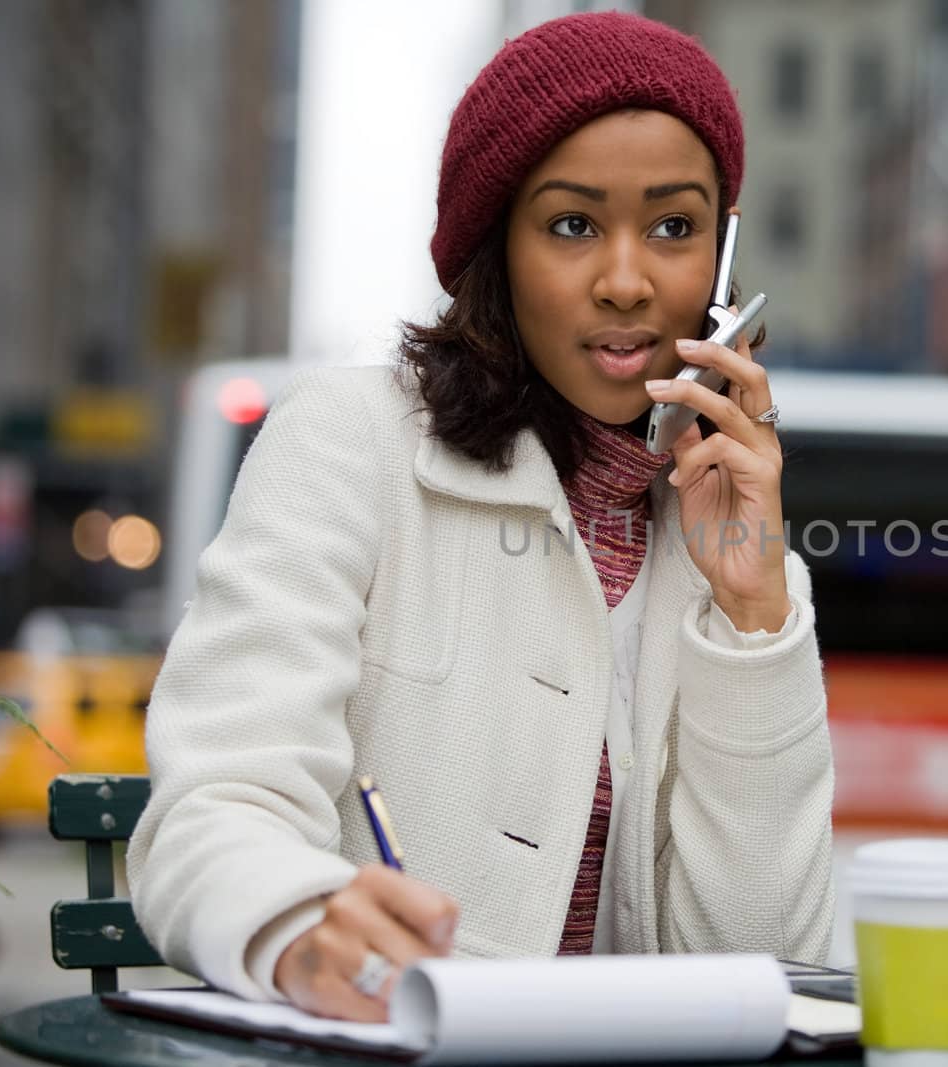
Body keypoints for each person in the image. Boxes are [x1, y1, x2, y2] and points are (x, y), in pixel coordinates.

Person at [125, 11, 834, 1023]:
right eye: (573, 224)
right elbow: (215, 806)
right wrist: (300, 925)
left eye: (674, 226)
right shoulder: (351, 440)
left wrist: (753, 616)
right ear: (496, 249)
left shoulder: (739, 555)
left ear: (722, 268)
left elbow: (767, 960)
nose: (628, 280)